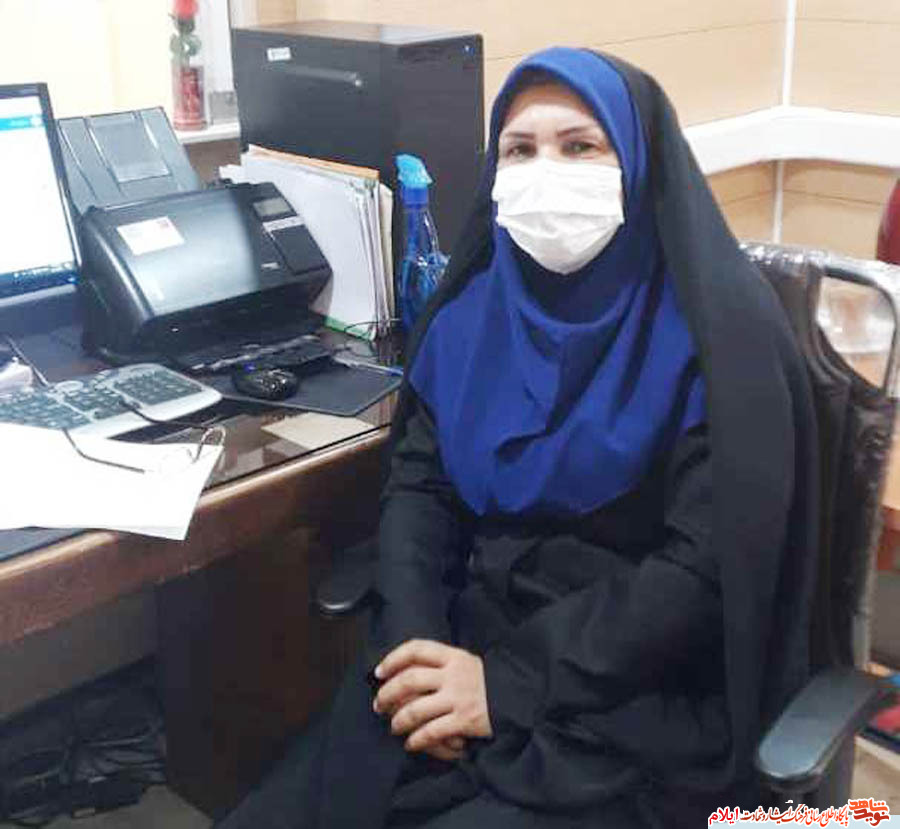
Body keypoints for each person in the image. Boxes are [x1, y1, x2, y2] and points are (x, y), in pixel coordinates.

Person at [217, 47, 817, 829]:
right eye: (519, 149)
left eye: (580, 146)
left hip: (626, 701)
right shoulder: (471, 314)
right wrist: (417, 647)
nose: (545, 172)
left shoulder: (720, 340)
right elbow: (419, 493)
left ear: (638, 164)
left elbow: (701, 575)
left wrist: (504, 686)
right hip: (460, 650)